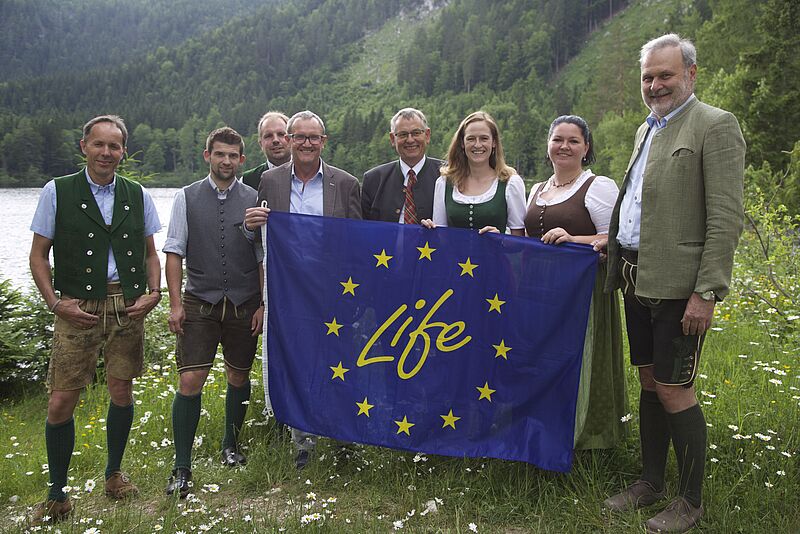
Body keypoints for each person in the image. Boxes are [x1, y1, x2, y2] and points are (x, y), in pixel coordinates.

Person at [599, 34, 745, 533]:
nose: (656, 85)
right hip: (636, 279)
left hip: (682, 287)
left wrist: (707, 292)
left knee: (675, 388)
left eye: (665, 75)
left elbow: (725, 218)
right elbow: (639, 206)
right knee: (648, 379)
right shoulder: (647, 129)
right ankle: (650, 481)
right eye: (648, 77)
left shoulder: (715, 125)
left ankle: (690, 500)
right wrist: (611, 245)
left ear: (691, 73)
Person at [28, 115, 162, 524]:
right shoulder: (58, 191)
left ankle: (114, 476)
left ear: (123, 150)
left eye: (115, 146)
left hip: (126, 303)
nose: (107, 153)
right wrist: (55, 304)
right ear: (83, 146)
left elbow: (151, 253)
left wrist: (153, 295)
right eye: (99, 144)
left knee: (121, 390)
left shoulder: (136, 194)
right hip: (77, 306)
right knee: (61, 399)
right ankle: (56, 495)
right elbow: (38, 256)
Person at [243, 110, 361, 469]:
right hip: (290, 289)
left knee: (339, 364)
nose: (307, 143)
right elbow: (260, 241)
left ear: (323, 142)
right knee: (297, 363)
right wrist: (250, 226)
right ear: (290, 141)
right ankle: (303, 444)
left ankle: (344, 441)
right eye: (300, 137)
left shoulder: (346, 183)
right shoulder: (270, 180)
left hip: (333, 291)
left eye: (314, 137)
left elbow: (357, 242)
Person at [163, 127, 263, 498]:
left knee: (239, 377)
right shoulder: (186, 196)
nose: (226, 161)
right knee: (190, 381)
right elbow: (173, 251)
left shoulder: (255, 198)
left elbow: (262, 256)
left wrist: (263, 303)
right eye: (219, 154)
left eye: (232, 155)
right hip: (199, 301)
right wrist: (175, 303)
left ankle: (231, 446)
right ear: (207, 156)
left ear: (242, 159)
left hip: (244, 303)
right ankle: (182, 466)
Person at [524, 115, 626, 450]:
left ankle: (587, 438)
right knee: (546, 359)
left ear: (586, 148)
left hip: (584, 292)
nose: (564, 146)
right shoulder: (537, 189)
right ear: (548, 145)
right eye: (557, 139)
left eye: (573, 141)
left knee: (581, 360)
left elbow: (615, 239)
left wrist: (572, 238)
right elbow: (527, 239)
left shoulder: (598, 186)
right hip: (542, 291)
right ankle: (545, 431)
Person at [421, 111, 526, 235]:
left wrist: (501, 238)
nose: (477, 145)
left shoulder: (510, 183)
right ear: (462, 143)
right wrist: (430, 230)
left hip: (497, 255)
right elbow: (441, 236)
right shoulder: (444, 183)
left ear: (494, 143)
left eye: (484, 138)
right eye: (471, 139)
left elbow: (520, 241)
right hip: (454, 255)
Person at [362, 107, 442, 222]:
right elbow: (363, 229)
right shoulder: (373, 180)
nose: (410, 140)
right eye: (403, 134)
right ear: (392, 139)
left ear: (427, 135)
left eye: (416, 133)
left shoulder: (447, 175)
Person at [241, 111, 291, 190]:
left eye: (281, 134)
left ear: (291, 139)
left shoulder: (309, 175)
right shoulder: (247, 181)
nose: (275, 140)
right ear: (261, 144)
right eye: (268, 136)